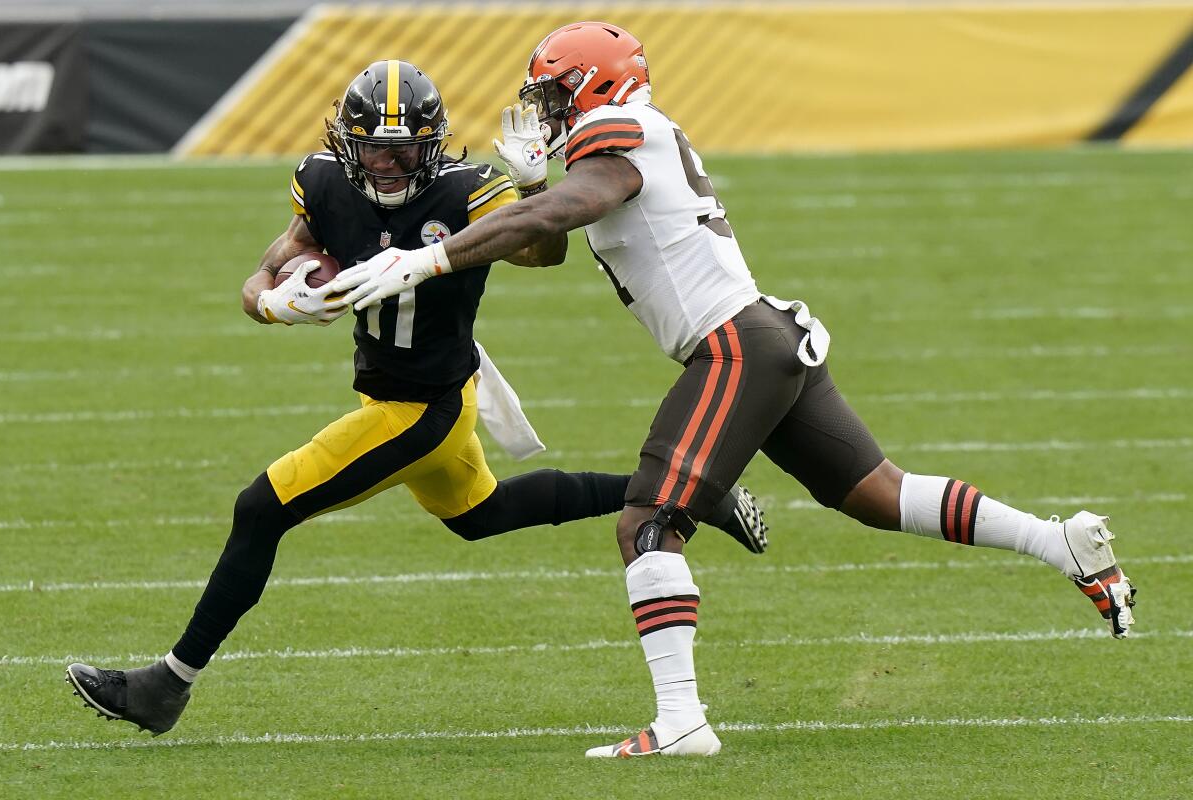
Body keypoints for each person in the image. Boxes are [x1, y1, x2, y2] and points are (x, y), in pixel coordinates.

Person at [325, 25, 1139, 758]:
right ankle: (1056, 541)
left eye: (554, 93)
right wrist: (532, 186)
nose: (542, 109)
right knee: (876, 495)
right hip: (761, 338)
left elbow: (563, 217)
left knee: (647, 521)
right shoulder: (634, 133)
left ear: (595, 87)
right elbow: (553, 222)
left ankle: (681, 719)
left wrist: (430, 257)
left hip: (732, 349)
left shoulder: (619, 135)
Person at [63, 60, 767, 737]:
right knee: (482, 515)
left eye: (403, 153)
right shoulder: (322, 182)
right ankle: (690, 491)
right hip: (422, 395)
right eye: (372, 151)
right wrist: (274, 303)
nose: (387, 167)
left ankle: (166, 685)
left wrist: (529, 188)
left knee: (260, 507)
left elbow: (541, 253)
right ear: (347, 144)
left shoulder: (467, 191)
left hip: (422, 407)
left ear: (432, 148)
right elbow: (266, 270)